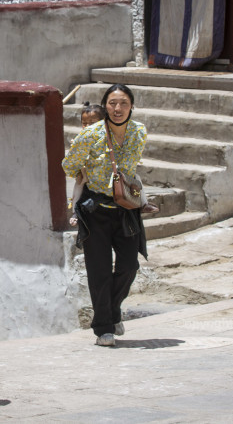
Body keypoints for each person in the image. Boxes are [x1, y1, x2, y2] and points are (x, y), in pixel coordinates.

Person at [62, 84, 148, 347]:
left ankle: (111, 311)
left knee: (129, 266)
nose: (118, 108)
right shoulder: (91, 135)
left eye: (123, 103)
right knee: (98, 271)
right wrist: (84, 173)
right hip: (95, 212)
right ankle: (104, 329)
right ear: (105, 106)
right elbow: (68, 165)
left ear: (131, 105)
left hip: (126, 209)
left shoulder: (139, 132)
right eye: (112, 103)